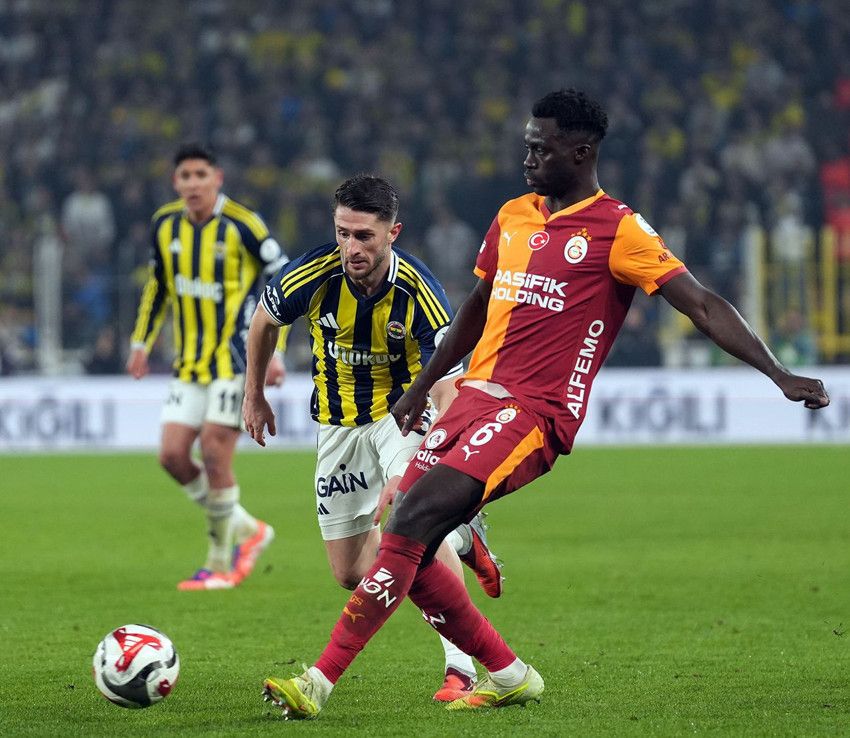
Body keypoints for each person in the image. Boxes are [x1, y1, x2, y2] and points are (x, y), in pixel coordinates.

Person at [255, 89, 830, 719]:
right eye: (527, 146)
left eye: (541, 148)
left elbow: (702, 304)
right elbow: (476, 309)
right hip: (473, 398)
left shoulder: (619, 229)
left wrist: (778, 373)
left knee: (413, 518)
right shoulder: (512, 216)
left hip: (534, 413)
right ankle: (508, 672)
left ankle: (318, 682)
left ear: (580, 152)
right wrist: (423, 387)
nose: (527, 158)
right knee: (405, 531)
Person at [243, 174, 503, 702]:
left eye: (363, 235)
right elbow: (262, 323)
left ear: (392, 233)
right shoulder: (312, 274)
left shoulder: (419, 291)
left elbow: (447, 385)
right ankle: (461, 537)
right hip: (338, 425)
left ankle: (460, 667)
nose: (351, 247)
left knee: (412, 528)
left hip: (402, 416)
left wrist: (425, 461)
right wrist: (254, 395)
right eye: (343, 233)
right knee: (352, 571)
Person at [127, 142, 288, 591]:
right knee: (172, 456)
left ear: (217, 178)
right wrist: (141, 342)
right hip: (189, 364)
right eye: (185, 176)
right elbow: (158, 287)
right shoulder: (164, 224)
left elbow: (283, 282)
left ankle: (218, 564)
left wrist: (274, 352)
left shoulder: (243, 224)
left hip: (236, 360)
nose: (193, 183)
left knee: (215, 451)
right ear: (175, 182)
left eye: (201, 175)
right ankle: (249, 529)